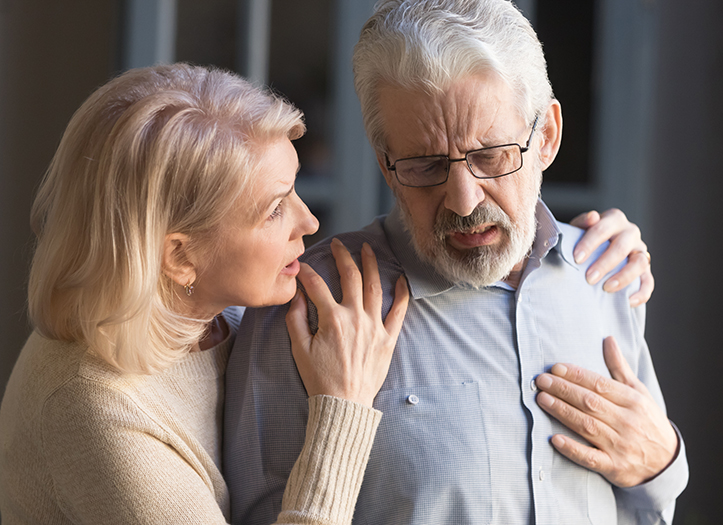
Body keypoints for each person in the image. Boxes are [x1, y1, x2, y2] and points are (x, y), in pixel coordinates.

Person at [224, 1, 688, 524]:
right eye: (425, 165)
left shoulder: (608, 271)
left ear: (547, 137)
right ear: (386, 164)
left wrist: (663, 463)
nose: (464, 201)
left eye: (491, 156)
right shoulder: (309, 305)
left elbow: (649, 505)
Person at [0, 63, 412, 524]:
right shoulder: (93, 409)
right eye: (275, 210)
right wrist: (344, 405)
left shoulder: (216, 309)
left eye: (294, 189)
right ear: (179, 257)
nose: (310, 222)